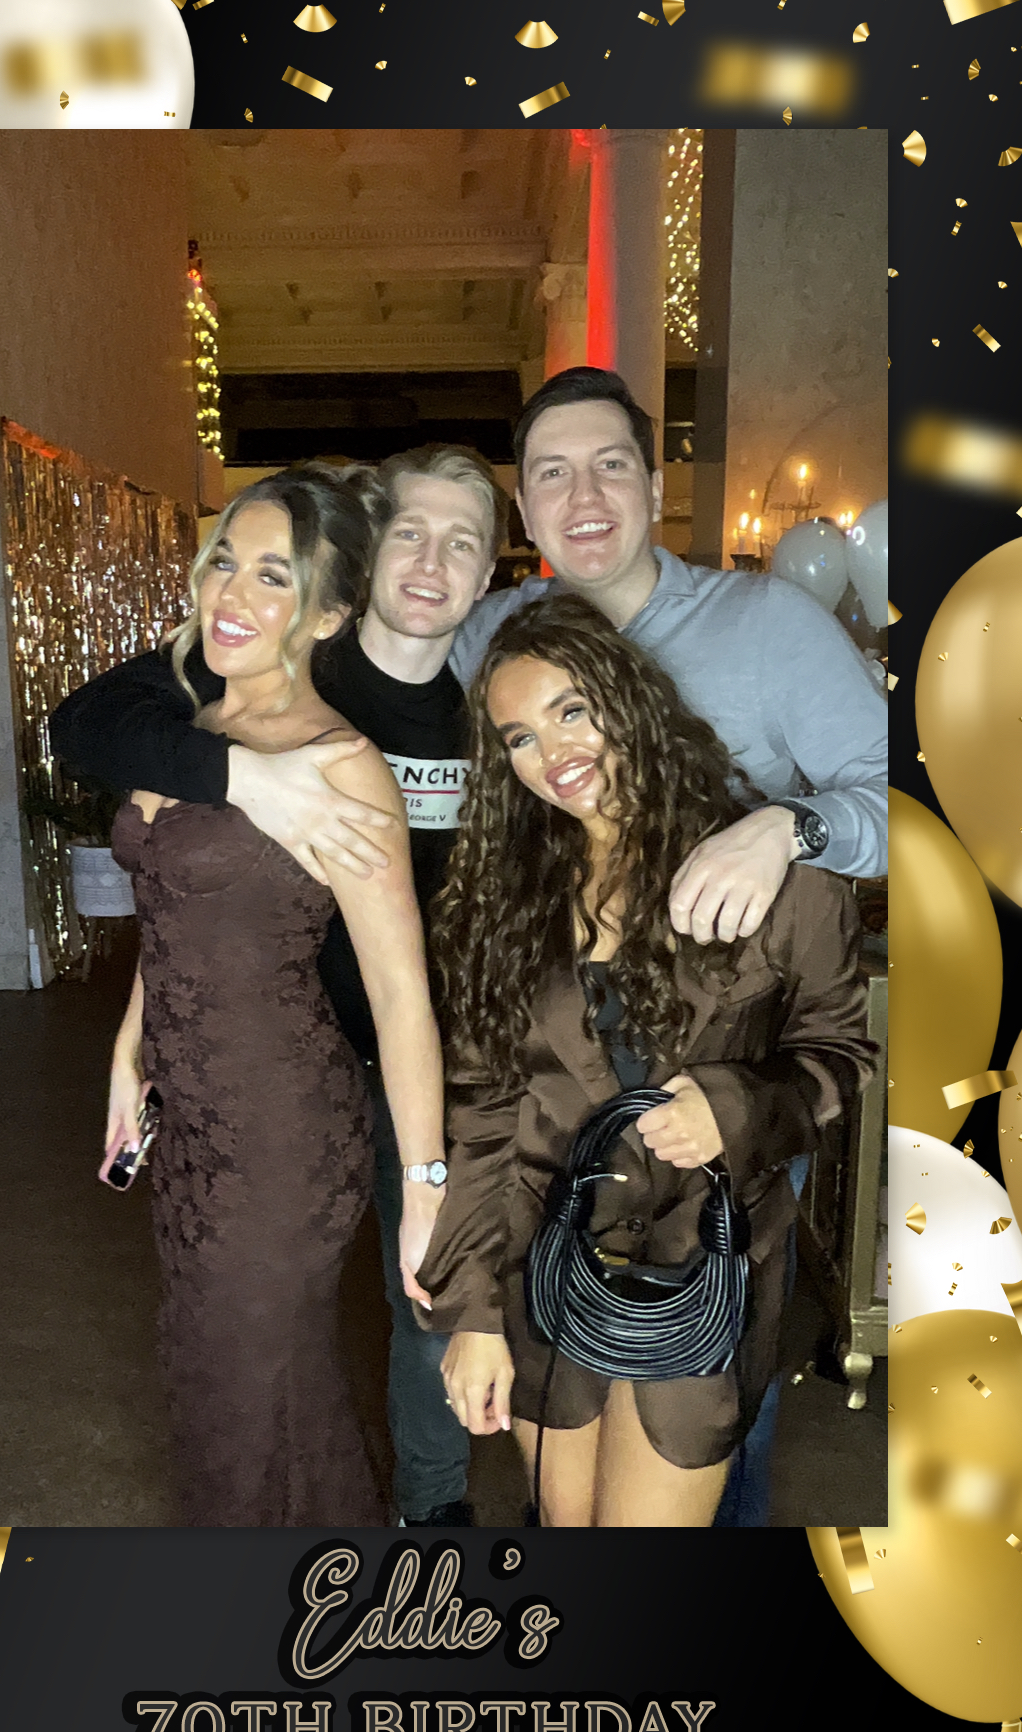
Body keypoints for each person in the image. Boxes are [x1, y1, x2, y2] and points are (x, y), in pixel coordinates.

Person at [54, 447, 510, 1529]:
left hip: (282, 1132)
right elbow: (179, 914)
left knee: (252, 1386)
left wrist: (427, 1192)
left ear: (329, 614)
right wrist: (131, 1046)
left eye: (275, 576)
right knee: (224, 1380)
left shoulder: (341, 763)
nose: (234, 594)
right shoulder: (188, 724)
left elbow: (401, 997)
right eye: (226, 560)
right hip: (193, 1123)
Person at [410, 592, 878, 1527]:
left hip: (702, 1263)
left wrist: (735, 1108)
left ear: (630, 699)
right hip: (547, 1260)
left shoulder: (774, 876)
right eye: (519, 738)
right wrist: (471, 1315)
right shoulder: (507, 899)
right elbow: (484, 1116)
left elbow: (842, 1052)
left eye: (571, 711)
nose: (552, 752)